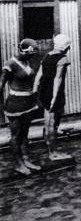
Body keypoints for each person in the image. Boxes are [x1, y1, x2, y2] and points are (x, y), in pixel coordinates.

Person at [0, 39, 42, 174]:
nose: (33, 56)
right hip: (15, 104)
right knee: (16, 135)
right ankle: (18, 164)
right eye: (32, 53)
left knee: (24, 134)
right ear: (25, 51)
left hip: (28, 103)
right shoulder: (10, 64)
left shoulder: (27, 61)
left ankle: (26, 159)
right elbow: (0, 85)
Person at [34, 34, 72, 160]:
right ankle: (53, 153)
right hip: (54, 93)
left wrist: (35, 90)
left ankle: (51, 150)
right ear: (65, 46)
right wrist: (55, 97)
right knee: (52, 124)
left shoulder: (47, 56)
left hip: (44, 92)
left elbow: (39, 75)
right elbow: (58, 79)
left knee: (48, 123)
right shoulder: (63, 59)